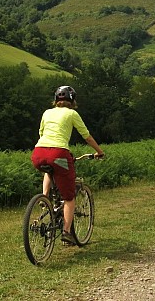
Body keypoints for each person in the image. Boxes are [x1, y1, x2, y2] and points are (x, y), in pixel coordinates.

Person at [31, 85, 105, 245]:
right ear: (72, 100)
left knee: (48, 170)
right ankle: (66, 231)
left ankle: (45, 198)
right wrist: (99, 151)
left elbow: (41, 133)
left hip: (38, 153)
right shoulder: (72, 114)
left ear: (56, 99)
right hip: (59, 153)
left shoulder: (47, 112)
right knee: (69, 198)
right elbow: (87, 136)